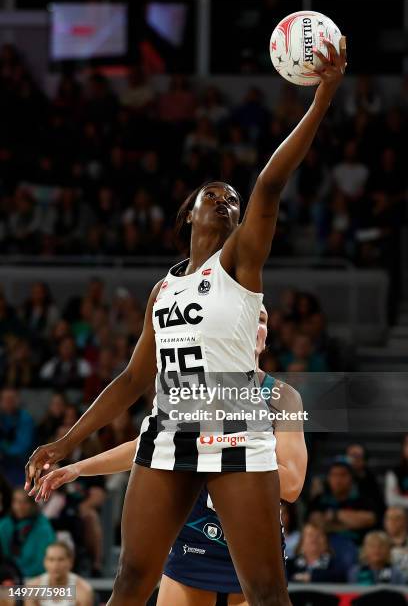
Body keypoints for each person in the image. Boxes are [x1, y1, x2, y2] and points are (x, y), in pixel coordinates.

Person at [26, 38, 346, 606]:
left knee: (268, 590)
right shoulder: (163, 287)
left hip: (235, 421)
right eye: (214, 195)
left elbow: (269, 185)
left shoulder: (241, 264)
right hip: (170, 425)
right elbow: (130, 381)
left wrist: (320, 100)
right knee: (130, 581)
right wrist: (64, 441)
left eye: (233, 200)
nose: (227, 201)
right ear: (189, 213)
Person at [31, 306, 308, 606]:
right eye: (248, 317)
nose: (256, 324)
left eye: (263, 319)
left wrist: (218, 446)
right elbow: (149, 446)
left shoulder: (282, 397)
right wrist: (77, 469)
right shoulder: (188, 391)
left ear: (266, 337)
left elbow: (292, 485)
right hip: (193, 538)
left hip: (252, 540)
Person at [0, 488, 55, 578]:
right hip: (10, 574)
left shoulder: (42, 526)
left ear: (32, 504)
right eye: (16, 501)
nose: (20, 506)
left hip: (36, 575)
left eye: (25, 502)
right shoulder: (4, 524)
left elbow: (45, 558)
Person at [25, 542, 93, 606]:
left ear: (70, 562)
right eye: (51, 559)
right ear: (44, 562)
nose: (55, 565)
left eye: (61, 559)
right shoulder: (32, 587)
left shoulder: (83, 590)